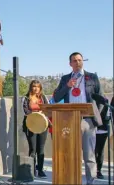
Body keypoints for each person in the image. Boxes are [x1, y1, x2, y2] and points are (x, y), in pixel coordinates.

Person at [53, 52, 104, 185]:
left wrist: (95, 116)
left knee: (89, 155)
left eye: (80, 60)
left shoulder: (92, 77)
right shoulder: (65, 79)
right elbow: (57, 97)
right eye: (74, 61)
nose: (77, 63)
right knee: (70, 153)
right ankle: (71, 180)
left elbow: (101, 99)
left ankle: (90, 182)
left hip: (87, 120)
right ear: (70, 64)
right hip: (69, 120)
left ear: (83, 62)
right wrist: (67, 86)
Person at [22, 80, 49, 178]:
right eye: (34, 86)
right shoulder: (26, 98)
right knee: (32, 149)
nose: (36, 88)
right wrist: (35, 114)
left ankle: (40, 170)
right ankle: (32, 170)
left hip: (43, 126)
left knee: (40, 149)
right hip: (31, 126)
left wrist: (43, 113)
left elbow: (48, 109)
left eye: (38, 86)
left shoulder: (43, 97)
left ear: (40, 88)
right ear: (31, 87)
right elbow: (25, 111)